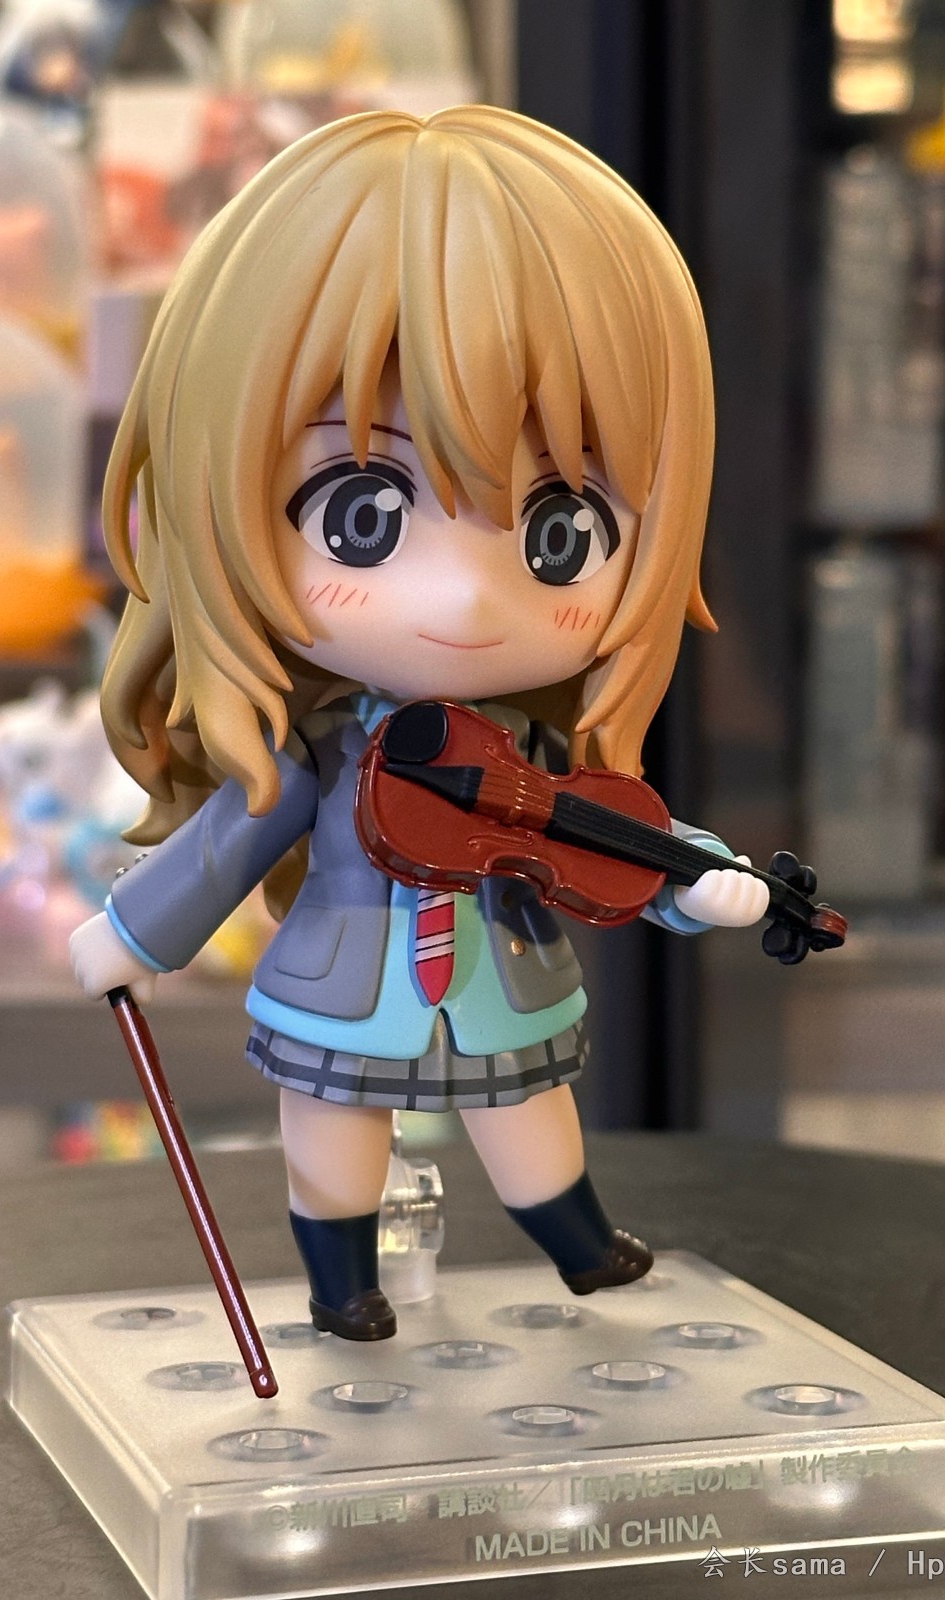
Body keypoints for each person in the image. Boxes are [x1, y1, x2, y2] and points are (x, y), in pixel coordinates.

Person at [70, 106, 769, 1340]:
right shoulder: (321, 756)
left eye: (561, 531)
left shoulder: (525, 756)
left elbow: (595, 829)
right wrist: (136, 931)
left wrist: (693, 879)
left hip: (501, 980)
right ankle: (342, 1284)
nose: (465, 599)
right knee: (332, 1134)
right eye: (363, 513)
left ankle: (581, 1244)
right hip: (339, 987)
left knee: (531, 1118)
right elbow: (232, 841)